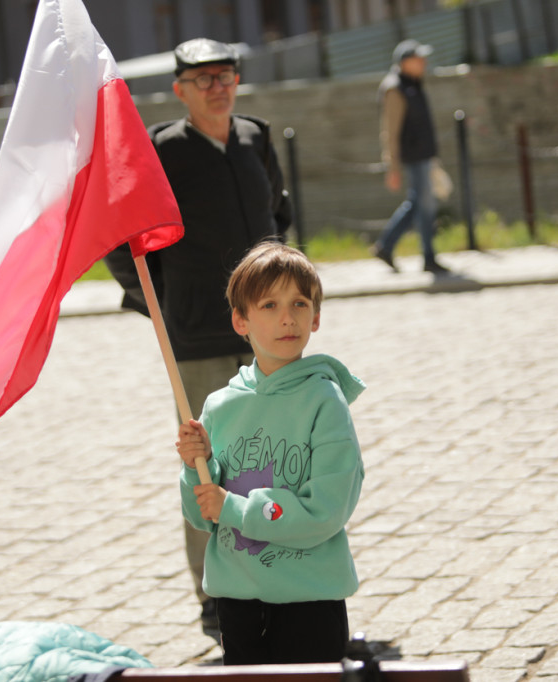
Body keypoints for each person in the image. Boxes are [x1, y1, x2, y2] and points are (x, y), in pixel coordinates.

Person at [103, 37, 292, 638]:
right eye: (203, 78)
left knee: (282, 458)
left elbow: (278, 218)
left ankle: (281, 577)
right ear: (180, 89)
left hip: (269, 335)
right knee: (208, 464)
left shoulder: (256, 138)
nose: (217, 86)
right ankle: (217, 594)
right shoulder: (161, 151)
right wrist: (159, 304)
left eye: (226, 74)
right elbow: (119, 238)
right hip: (200, 336)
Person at [176, 242, 365, 665]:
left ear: (316, 317)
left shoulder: (324, 401)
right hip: (237, 601)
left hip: (308, 599)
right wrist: (195, 469)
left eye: (300, 303)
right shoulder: (220, 406)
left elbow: (328, 510)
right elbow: (201, 514)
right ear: (240, 320)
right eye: (269, 305)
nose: (287, 317)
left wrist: (236, 509)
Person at [370, 39, 450, 275]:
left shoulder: (413, 83)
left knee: (420, 205)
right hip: (413, 157)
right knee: (423, 206)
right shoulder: (395, 89)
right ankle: (427, 257)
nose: (424, 62)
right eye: (419, 58)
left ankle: (387, 246)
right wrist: (392, 167)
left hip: (423, 155)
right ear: (405, 62)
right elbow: (390, 132)